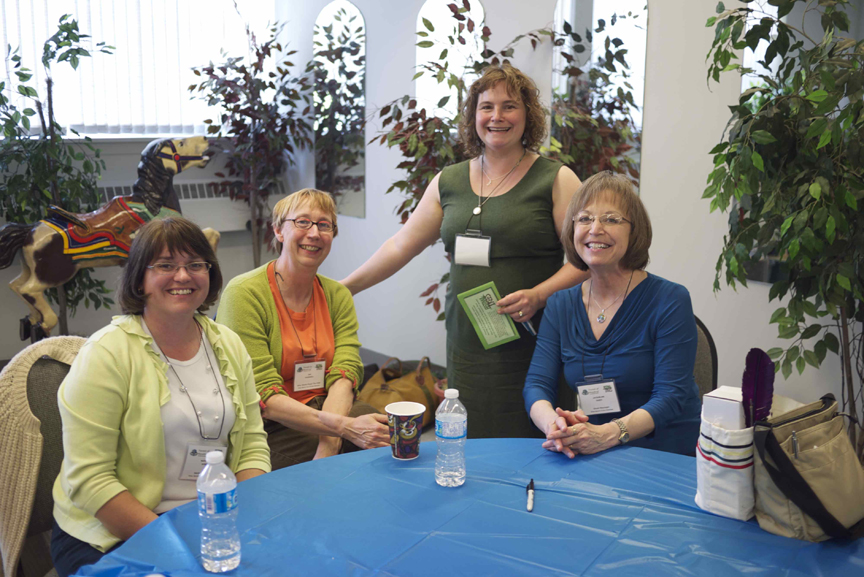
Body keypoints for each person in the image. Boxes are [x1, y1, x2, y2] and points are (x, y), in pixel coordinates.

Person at [341, 64, 590, 438]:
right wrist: (344, 288)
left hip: (534, 340)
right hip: (468, 342)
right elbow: (400, 245)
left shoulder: (556, 178)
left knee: (533, 443)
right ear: (473, 115)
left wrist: (540, 295)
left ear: (528, 115)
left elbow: (585, 260)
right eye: (486, 106)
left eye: (510, 106)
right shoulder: (450, 180)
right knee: (468, 441)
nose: (497, 117)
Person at [50, 218, 270, 577]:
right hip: (111, 530)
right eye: (166, 265)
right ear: (140, 279)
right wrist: (178, 545)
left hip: (211, 518)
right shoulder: (106, 353)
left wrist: (237, 520)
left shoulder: (228, 344)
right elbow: (91, 480)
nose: (182, 276)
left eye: (195, 265)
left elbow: (253, 448)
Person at [523, 171, 701, 456]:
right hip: (592, 446)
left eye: (611, 219)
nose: (595, 229)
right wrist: (552, 425)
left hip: (663, 449)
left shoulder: (670, 299)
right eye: (584, 218)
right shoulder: (560, 305)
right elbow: (536, 384)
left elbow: (671, 396)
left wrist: (607, 434)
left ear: (635, 231)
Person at [217, 189, 389, 469]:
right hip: (269, 422)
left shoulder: (337, 295)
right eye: (302, 222)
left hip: (327, 406)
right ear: (278, 231)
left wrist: (332, 437)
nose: (314, 233)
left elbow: (345, 371)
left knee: (387, 434)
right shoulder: (244, 293)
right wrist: (342, 429)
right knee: (350, 451)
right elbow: (261, 392)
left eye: (324, 225)